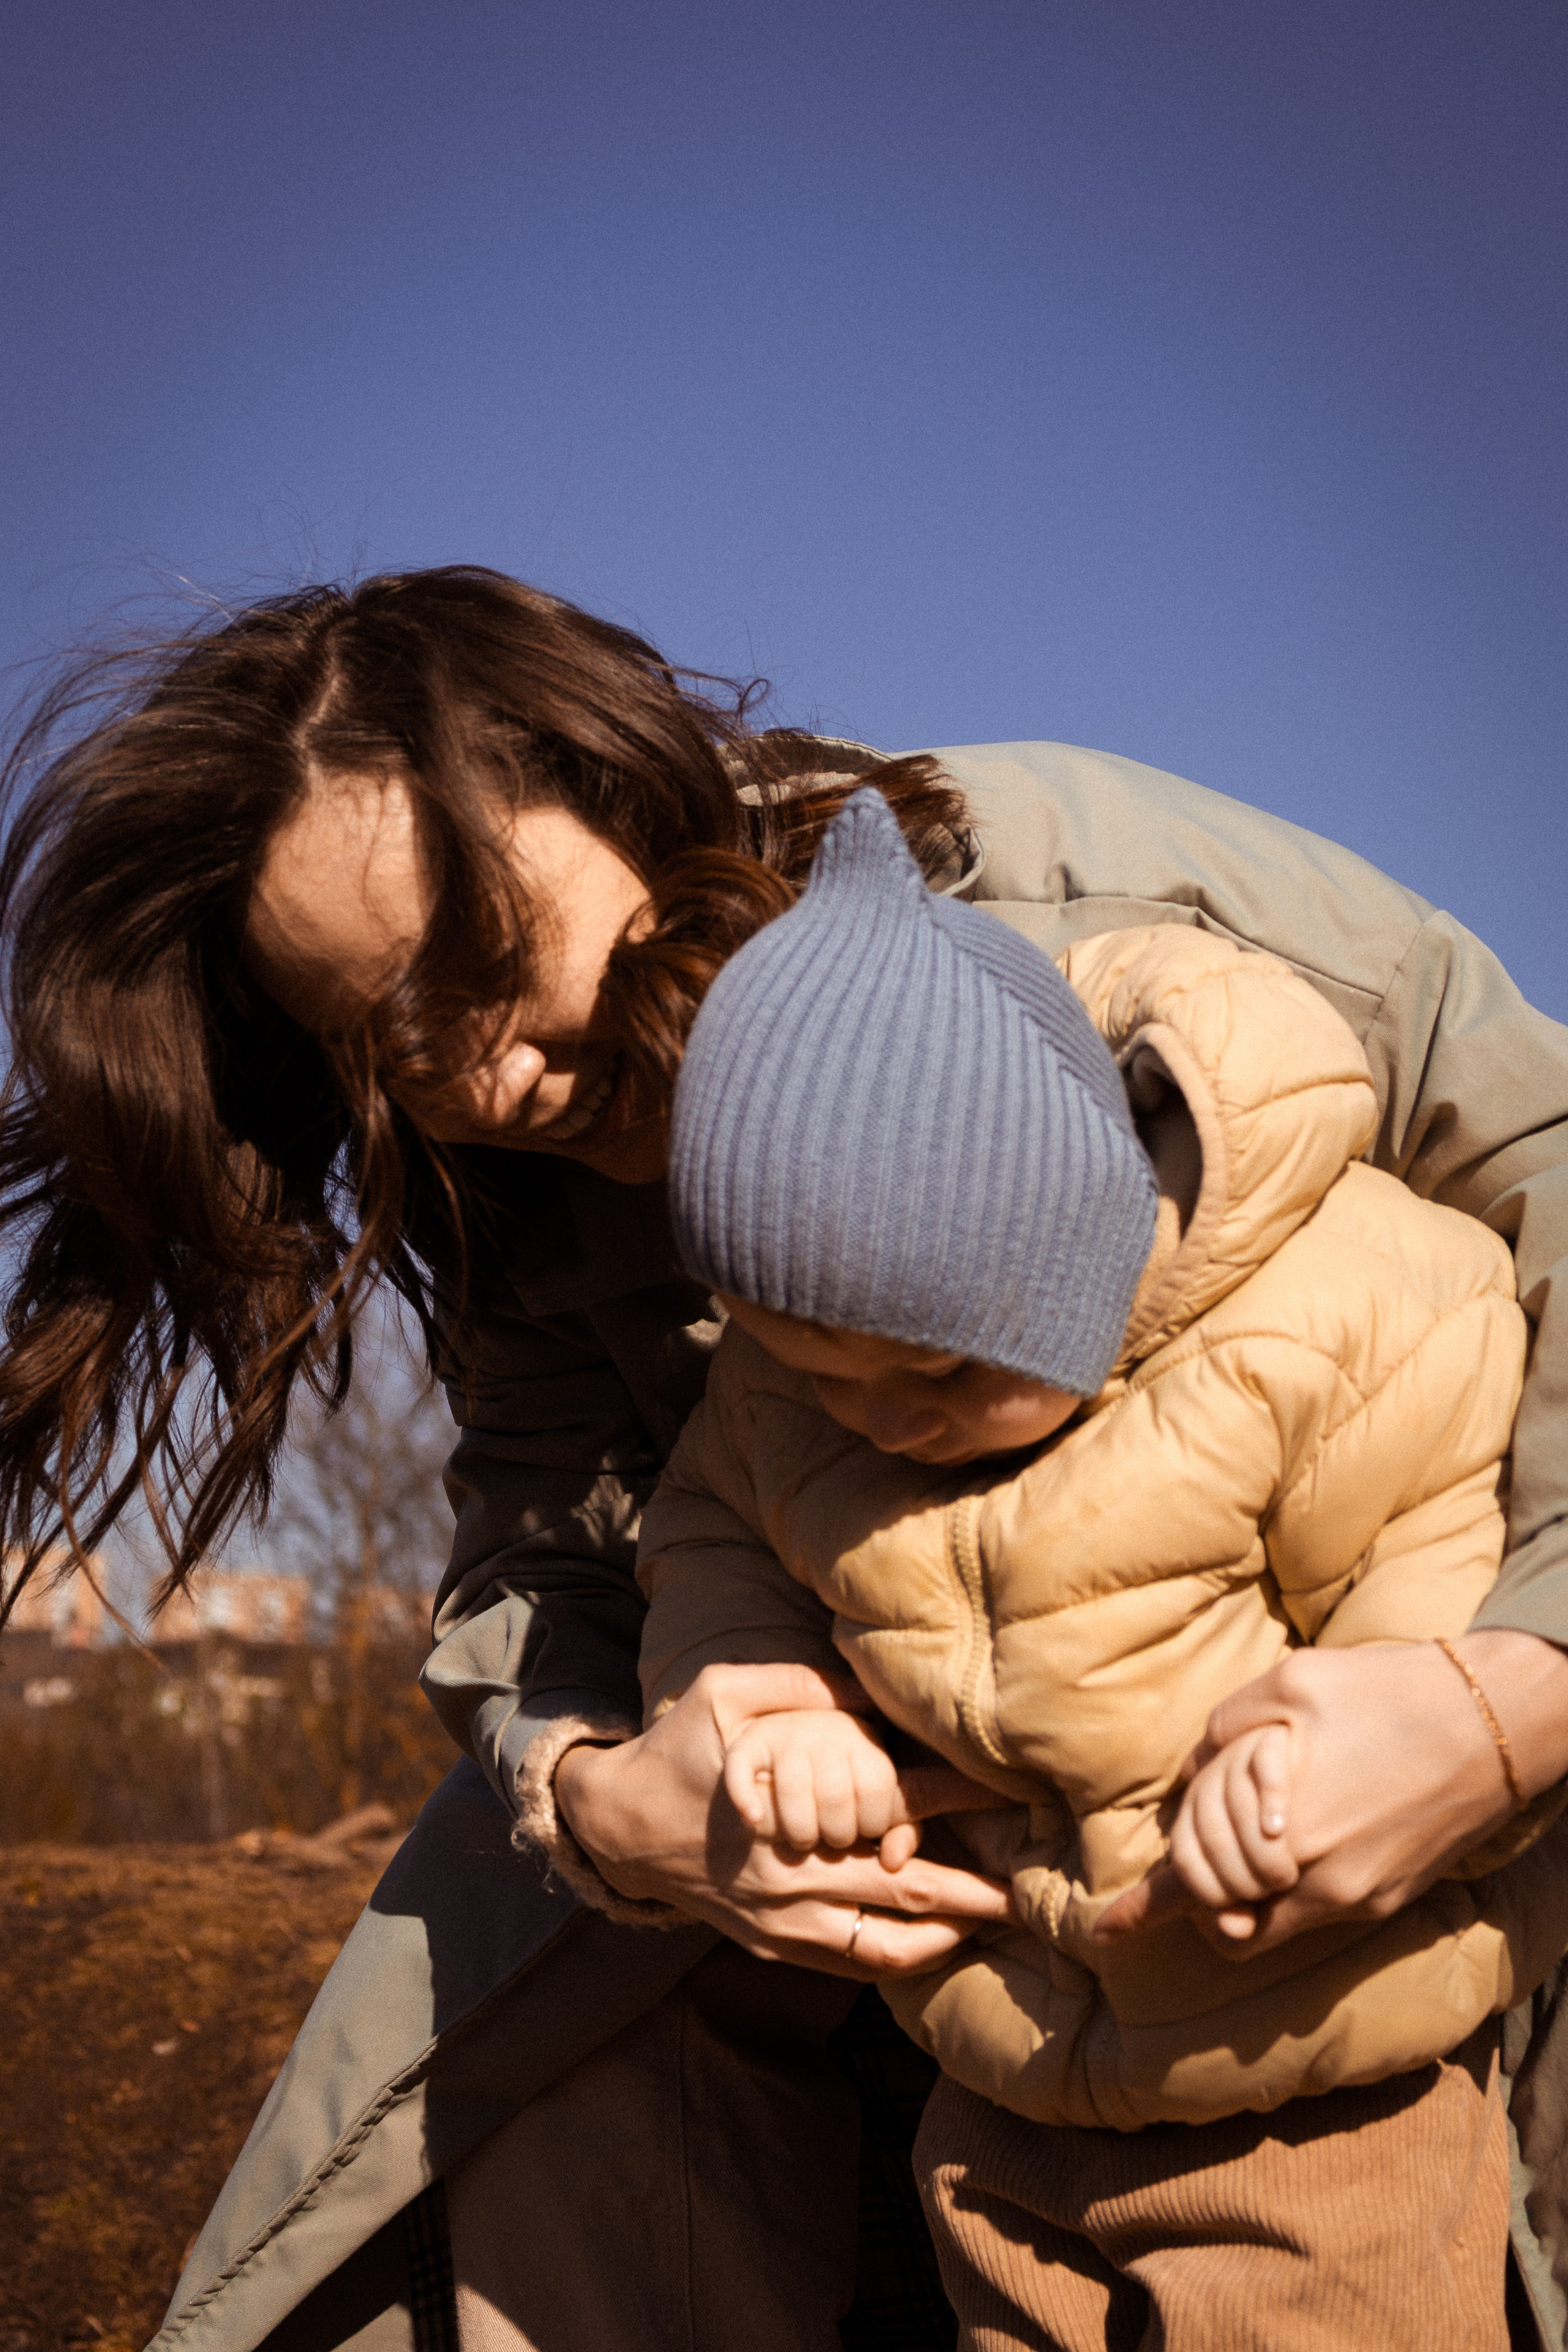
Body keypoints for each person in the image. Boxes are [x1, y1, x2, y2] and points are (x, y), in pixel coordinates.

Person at [0, 567, 1563, 2349]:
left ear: (610, 775)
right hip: (972, 1987)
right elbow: (559, 1567)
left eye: (484, 960)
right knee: (529, 2053)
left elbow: (1537, 1188)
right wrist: (605, 1794)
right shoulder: (523, 1213)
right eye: (391, 1045)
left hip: (1323, 1922)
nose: (491, 1078)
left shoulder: (1083, 898)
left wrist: (1505, 1698)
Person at [608, 785, 1566, 2348]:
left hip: (1318, 2090)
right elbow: (708, 1535)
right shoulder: (793, 1410)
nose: (876, 1424)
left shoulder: (1334, 1319)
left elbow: (1442, 1534)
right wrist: (757, 1696)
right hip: (996, 2096)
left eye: (928, 1375)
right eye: (817, 1375)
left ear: (1069, 1249)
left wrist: (1376, 1713)